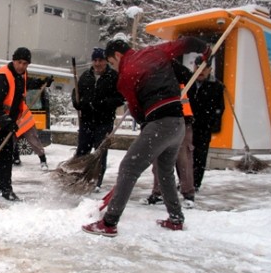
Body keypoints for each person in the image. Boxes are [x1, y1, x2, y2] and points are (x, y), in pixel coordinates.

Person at [82, 37, 212, 237]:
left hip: (159, 123)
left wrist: (147, 126)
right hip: (178, 123)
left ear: (117, 55)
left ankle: (109, 223)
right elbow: (185, 43)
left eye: (112, 63)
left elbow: (136, 110)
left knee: (129, 167)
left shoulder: (125, 76)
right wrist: (204, 49)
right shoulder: (156, 51)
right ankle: (176, 219)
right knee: (165, 170)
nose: (114, 68)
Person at [0, 47, 51, 201]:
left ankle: (4, 189)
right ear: (13, 60)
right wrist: (7, 122)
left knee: (6, 154)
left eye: (25, 63)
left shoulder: (20, 75)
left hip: (3, 121)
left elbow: (25, 83)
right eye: (19, 62)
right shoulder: (2, 77)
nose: (22, 66)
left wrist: (41, 82)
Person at [141, 60, 196, 209]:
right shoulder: (152, 76)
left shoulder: (179, 73)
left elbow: (191, 85)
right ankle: (158, 193)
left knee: (183, 159)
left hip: (183, 121)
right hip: (159, 122)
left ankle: (188, 192)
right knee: (158, 160)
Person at [72, 47, 125, 192]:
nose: (97, 63)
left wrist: (104, 104)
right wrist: (77, 103)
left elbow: (120, 98)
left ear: (106, 61)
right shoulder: (85, 76)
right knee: (82, 149)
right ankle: (79, 176)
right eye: (95, 60)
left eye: (100, 60)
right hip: (87, 120)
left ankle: (96, 181)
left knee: (100, 151)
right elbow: (76, 92)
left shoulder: (113, 77)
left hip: (104, 121)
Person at [188, 55, 225, 192]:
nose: (201, 71)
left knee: (200, 156)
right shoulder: (188, 82)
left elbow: (219, 108)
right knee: (184, 157)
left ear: (210, 69)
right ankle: (185, 182)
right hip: (187, 126)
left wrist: (211, 123)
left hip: (203, 127)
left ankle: (195, 184)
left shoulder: (216, 86)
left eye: (205, 68)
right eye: (198, 67)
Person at [13, 88, 51, 170]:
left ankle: (43, 161)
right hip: (13, 124)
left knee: (34, 142)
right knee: (10, 142)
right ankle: (15, 159)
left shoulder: (16, 97)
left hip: (26, 123)